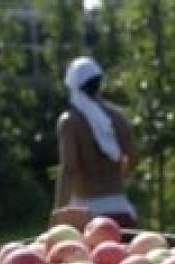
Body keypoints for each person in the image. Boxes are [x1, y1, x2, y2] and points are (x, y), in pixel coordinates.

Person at [55, 57, 139, 227]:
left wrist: (58, 213)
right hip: (121, 208)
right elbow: (134, 157)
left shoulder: (70, 121)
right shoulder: (118, 117)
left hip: (85, 213)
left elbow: (69, 168)